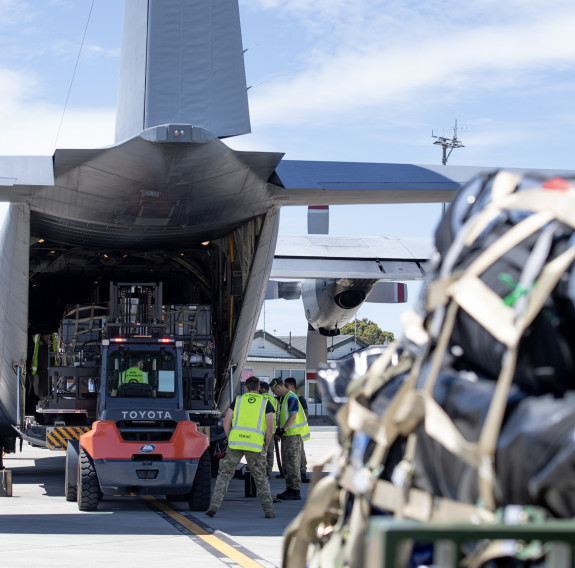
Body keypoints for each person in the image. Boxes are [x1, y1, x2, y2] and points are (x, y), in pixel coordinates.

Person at [206, 376, 276, 518]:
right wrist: (266, 444)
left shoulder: (238, 400)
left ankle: (214, 505)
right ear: (259, 388)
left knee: (224, 474)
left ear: (246, 388)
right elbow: (270, 427)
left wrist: (230, 437)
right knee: (261, 477)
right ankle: (268, 510)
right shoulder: (266, 402)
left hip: (235, 443)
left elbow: (226, 421)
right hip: (255, 445)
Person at [270, 378, 310, 501]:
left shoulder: (291, 397)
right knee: (287, 463)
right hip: (288, 436)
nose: (273, 393)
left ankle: (294, 491)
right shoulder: (284, 399)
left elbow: (293, 416)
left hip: (292, 435)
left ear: (278, 387)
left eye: (273, 391)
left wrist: (282, 430)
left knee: (292, 464)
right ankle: (290, 488)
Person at [285, 377, 310, 483]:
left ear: (292, 386)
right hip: (292, 431)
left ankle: (302, 472)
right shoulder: (288, 397)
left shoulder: (298, 398)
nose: (285, 388)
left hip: (298, 431)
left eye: (286, 386)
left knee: (300, 453)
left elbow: (305, 414)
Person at [29, 330, 58, 399]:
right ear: (41, 335)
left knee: (51, 385)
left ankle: (49, 398)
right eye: (45, 338)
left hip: (51, 368)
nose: (46, 339)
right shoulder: (36, 339)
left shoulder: (54, 338)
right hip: (40, 369)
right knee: (41, 387)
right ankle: (41, 399)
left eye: (48, 337)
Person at [259, 381, 278, 478]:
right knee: (270, 453)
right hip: (271, 431)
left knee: (260, 452)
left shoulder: (260, 398)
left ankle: (260, 471)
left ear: (262, 389)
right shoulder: (274, 400)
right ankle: (268, 472)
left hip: (260, 430)